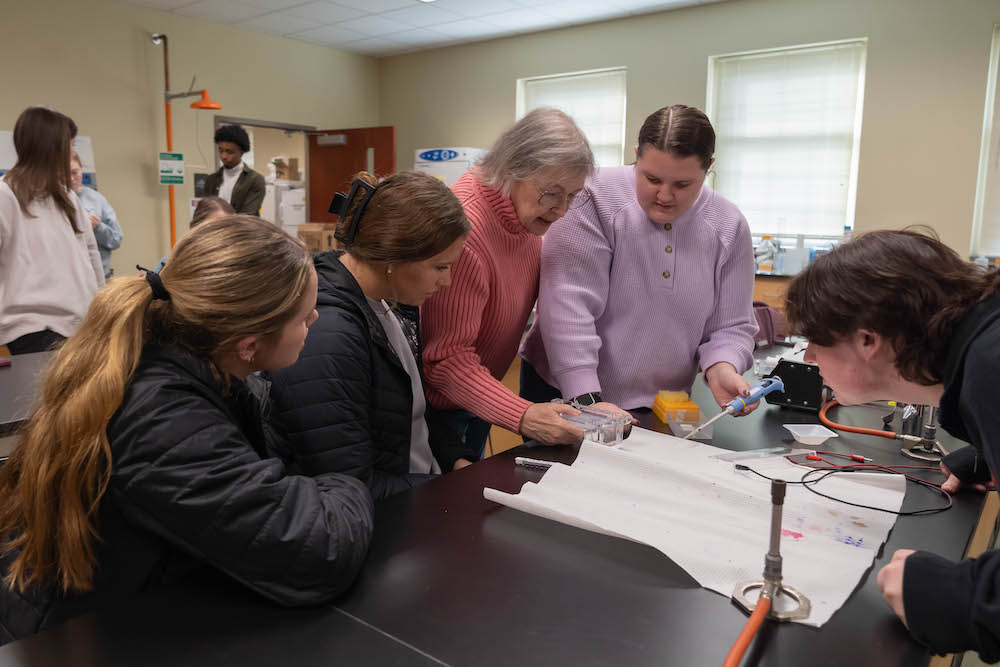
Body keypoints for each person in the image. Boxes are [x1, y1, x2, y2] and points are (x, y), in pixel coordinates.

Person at [0, 216, 373, 645]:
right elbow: (316, 550)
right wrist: (347, 484)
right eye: (305, 319)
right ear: (248, 343)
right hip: (75, 639)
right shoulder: (163, 418)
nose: (316, 319)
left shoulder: (190, 367)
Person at [783, 229, 1000, 662]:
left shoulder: (991, 371)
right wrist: (987, 452)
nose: (807, 358)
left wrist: (964, 598)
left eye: (815, 342)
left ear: (868, 341)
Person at [520, 105, 758, 419]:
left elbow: (732, 325)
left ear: (709, 167)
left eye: (683, 185)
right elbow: (567, 306)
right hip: (567, 389)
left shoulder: (729, 225)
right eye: (652, 178)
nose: (665, 195)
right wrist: (586, 399)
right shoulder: (590, 197)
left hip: (663, 401)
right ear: (637, 155)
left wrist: (722, 365)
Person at [266, 171, 473, 500]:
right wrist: (448, 489)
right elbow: (349, 484)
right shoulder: (328, 336)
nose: (446, 282)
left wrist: (456, 460)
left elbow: (412, 407)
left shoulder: (394, 300)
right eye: (440, 267)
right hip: (381, 516)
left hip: (414, 490)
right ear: (393, 258)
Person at [420, 108, 600, 459]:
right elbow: (445, 359)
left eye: (573, 196)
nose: (562, 210)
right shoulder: (467, 230)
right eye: (551, 193)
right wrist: (522, 414)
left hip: (480, 393)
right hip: (443, 409)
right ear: (513, 167)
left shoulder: (524, 215)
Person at [0, 107, 104, 355]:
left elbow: (90, 254)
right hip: (32, 330)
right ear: (51, 148)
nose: (73, 153)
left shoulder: (65, 196)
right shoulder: (5, 196)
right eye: (70, 145)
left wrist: (102, 310)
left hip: (79, 325)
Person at [70, 152, 122, 279]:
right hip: (70, 278)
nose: (71, 179)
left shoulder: (96, 199)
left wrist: (97, 227)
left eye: (75, 172)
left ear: (81, 170)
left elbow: (116, 240)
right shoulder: (51, 202)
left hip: (101, 276)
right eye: (64, 174)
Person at [155, 196, 235, 273]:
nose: (222, 234)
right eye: (214, 228)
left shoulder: (240, 267)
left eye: (227, 228)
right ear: (195, 228)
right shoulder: (168, 265)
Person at [203, 124, 265, 216]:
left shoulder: (255, 180)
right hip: (215, 228)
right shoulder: (211, 180)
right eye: (220, 150)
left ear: (242, 152)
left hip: (242, 229)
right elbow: (205, 211)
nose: (223, 156)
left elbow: (248, 215)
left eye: (229, 152)